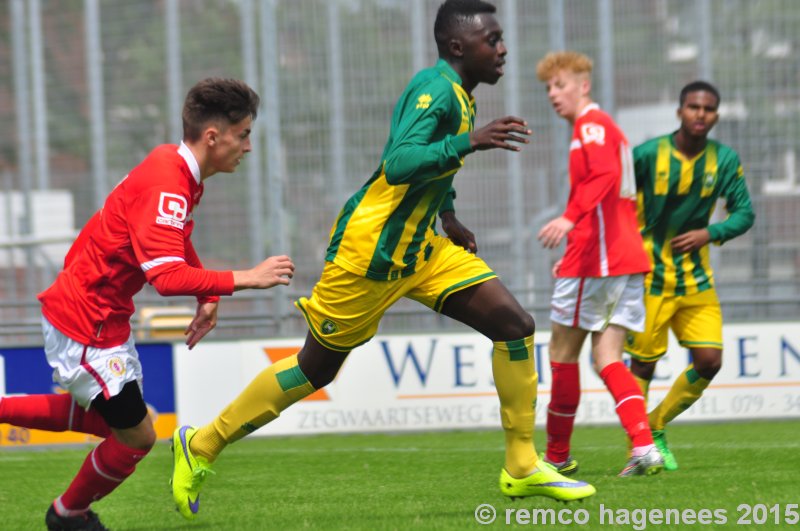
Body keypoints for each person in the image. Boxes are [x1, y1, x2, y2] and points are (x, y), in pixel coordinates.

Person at [170, 0, 596, 520]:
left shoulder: (461, 95)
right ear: (459, 47)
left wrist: (450, 216)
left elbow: (434, 171)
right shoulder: (434, 89)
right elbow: (398, 164)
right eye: (493, 39)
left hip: (421, 249)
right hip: (368, 254)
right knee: (314, 370)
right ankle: (202, 444)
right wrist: (470, 142)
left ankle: (523, 466)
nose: (503, 49)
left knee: (515, 325)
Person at [0, 78, 295, 531]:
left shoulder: (172, 167)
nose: (248, 147)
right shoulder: (168, 185)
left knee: (119, 427)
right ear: (213, 136)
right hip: (86, 323)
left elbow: (174, 242)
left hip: (98, 317)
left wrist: (209, 294)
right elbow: (166, 276)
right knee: (137, 436)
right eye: (245, 134)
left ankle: (66, 511)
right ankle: (67, 515)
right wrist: (245, 278)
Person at [535, 51, 663, 477]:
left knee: (561, 352)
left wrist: (571, 222)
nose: (554, 94)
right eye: (549, 88)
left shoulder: (590, 125)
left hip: (599, 260)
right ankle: (644, 446)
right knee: (607, 357)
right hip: (624, 259)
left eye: (561, 85)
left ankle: (555, 457)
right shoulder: (603, 127)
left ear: (583, 85)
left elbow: (604, 176)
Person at [625, 81, 755, 471]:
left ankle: (655, 425)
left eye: (709, 109)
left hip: (697, 281)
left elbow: (744, 213)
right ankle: (641, 445)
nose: (701, 114)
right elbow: (614, 199)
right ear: (680, 111)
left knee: (710, 360)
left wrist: (709, 233)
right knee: (643, 365)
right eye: (694, 107)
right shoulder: (648, 155)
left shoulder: (725, 160)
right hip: (648, 277)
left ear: (716, 115)